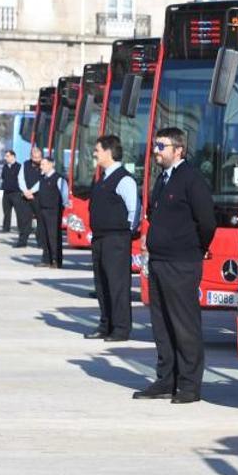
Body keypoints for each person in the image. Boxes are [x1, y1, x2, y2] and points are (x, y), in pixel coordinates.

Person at [133, 127, 216, 404]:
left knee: (184, 325)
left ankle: (189, 386)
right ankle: (166, 379)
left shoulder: (191, 179)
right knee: (162, 324)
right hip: (159, 262)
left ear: (178, 150)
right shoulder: (163, 179)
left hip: (182, 263)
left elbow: (207, 222)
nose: (156, 151)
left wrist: (197, 249)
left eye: (161, 146)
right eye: (155, 145)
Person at [85, 134, 139, 343]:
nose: (95, 153)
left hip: (116, 239)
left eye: (98, 149)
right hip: (100, 239)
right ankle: (105, 324)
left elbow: (134, 211)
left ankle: (120, 328)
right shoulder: (102, 178)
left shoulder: (124, 179)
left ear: (108, 152)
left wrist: (125, 233)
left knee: (117, 285)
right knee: (102, 284)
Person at [26, 155, 69, 268]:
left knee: (53, 236)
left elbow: (65, 194)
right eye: (41, 164)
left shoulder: (59, 178)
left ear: (51, 164)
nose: (41, 167)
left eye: (43, 164)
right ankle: (46, 259)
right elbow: (36, 188)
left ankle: (56, 260)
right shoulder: (43, 178)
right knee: (44, 235)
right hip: (43, 210)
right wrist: (29, 192)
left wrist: (63, 206)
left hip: (54, 211)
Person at [16, 145, 43, 248]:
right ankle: (22, 241)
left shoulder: (44, 164)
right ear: (31, 157)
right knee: (24, 220)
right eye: (35, 158)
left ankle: (41, 242)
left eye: (38, 157)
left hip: (38, 196)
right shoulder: (25, 164)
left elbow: (42, 180)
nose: (37, 160)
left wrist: (32, 191)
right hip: (25, 196)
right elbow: (21, 178)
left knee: (40, 220)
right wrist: (26, 191)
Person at [0, 150, 23, 234]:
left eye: (7, 156)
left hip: (16, 193)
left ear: (13, 156)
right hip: (6, 193)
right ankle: (6, 228)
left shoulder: (19, 166)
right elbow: (3, 177)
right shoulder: (5, 166)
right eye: (5, 156)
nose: (6, 158)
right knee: (6, 212)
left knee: (19, 212)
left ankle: (21, 228)